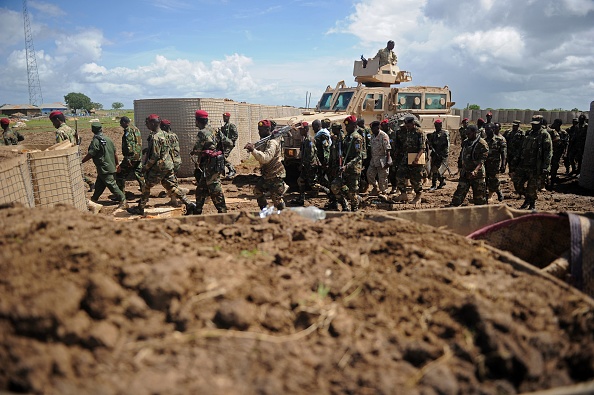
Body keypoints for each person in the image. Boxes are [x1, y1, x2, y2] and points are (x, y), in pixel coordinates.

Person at [127, 114, 196, 216]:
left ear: (153, 123)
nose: (147, 125)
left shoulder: (155, 137)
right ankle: (189, 204)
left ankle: (140, 208)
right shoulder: (165, 134)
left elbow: (155, 156)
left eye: (148, 123)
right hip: (168, 165)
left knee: (146, 186)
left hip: (159, 167)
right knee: (171, 187)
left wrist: (146, 167)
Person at [81, 123, 127, 209]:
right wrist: (117, 164)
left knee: (112, 186)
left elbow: (91, 153)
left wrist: (81, 161)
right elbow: (115, 153)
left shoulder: (96, 141)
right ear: (101, 129)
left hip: (104, 168)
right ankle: (94, 199)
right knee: (99, 185)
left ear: (92, 130)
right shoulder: (108, 139)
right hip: (110, 167)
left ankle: (123, 200)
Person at [244, 119, 287, 210]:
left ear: (268, 130)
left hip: (276, 175)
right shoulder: (264, 141)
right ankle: (265, 211)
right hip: (267, 175)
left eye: (261, 130)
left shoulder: (272, 143)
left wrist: (253, 150)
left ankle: (284, 215)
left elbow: (265, 159)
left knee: (277, 199)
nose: (259, 132)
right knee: (257, 191)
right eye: (258, 129)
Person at [510, 118, 553, 210]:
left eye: (536, 124)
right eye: (533, 124)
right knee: (517, 183)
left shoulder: (544, 135)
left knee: (532, 187)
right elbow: (522, 148)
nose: (534, 126)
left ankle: (531, 204)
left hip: (535, 166)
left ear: (540, 124)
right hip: (523, 164)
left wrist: (546, 167)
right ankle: (527, 198)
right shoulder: (528, 133)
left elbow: (548, 152)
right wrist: (514, 162)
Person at [190, 110, 227, 214]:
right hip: (216, 162)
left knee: (215, 188)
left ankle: (223, 211)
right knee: (201, 189)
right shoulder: (215, 130)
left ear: (198, 121)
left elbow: (197, 148)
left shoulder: (202, 132)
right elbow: (226, 142)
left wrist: (194, 152)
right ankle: (197, 211)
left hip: (210, 163)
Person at [49, 110, 94, 192]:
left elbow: (60, 146)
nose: (53, 124)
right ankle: (90, 183)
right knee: (77, 171)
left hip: (66, 155)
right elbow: (78, 141)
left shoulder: (59, 132)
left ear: (57, 120)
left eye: (53, 122)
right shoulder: (71, 129)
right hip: (75, 153)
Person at [330, 115, 364, 211]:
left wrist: (347, 166)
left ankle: (355, 207)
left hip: (353, 169)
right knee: (335, 186)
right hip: (344, 168)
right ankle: (345, 204)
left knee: (352, 193)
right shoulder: (347, 137)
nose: (346, 128)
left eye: (348, 126)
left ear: (354, 125)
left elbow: (358, 156)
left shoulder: (357, 138)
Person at [449, 125, 489, 207]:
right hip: (465, 173)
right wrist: (460, 165)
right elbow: (462, 154)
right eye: (466, 133)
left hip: (477, 175)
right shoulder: (466, 142)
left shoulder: (482, 144)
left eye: (469, 133)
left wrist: (475, 171)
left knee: (480, 199)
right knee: (458, 195)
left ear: (474, 133)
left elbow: (482, 160)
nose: (467, 135)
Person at [393, 116, 425, 205]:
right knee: (399, 174)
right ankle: (403, 194)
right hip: (406, 157)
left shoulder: (419, 132)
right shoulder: (407, 132)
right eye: (406, 125)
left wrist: (417, 158)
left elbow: (422, 147)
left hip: (416, 157)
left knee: (416, 179)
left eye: (408, 125)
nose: (407, 126)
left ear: (413, 123)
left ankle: (418, 196)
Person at [291, 122, 322, 206]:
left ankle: (329, 192)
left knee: (313, 184)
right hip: (306, 166)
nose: (300, 131)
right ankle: (301, 199)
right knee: (300, 180)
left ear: (305, 130)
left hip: (310, 166)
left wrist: (303, 165)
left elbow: (311, 155)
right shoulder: (305, 139)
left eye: (301, 130)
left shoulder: (309, 140)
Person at [115, 116, 145, 197]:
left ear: (125, 122)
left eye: (121, 123)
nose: (120, 125)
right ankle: (145, 193)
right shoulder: (136, 129)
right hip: (138, 156)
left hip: (131, 157)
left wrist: (128, 158)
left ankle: (121, 195)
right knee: (139, 175)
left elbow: (129, 145)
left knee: (120, 174)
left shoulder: (128, 130)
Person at [367, 120, 391, 196]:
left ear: (377, 127)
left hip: (382, 159)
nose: (372, 130)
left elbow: (388, 149)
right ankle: (375, 187)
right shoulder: (373, 136)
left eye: (373, 129)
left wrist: (388, 160)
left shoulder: (383, 136)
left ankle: (384, 192)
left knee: (382, 177)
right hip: (374, 159)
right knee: (369, 174)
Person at [484, 123, 507, 202]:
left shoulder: (499, 140)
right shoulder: (484, 141)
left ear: (493, 130)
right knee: (485, 180)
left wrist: (503, 164)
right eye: (486, 130)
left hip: (494, 164)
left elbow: (503, 153)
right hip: (485, 164)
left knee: (494, 180)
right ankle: (487, 196)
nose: (487, 131)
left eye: (488, 130)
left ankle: (499, 191)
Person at [326, 122, 346, 210]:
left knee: (338, 187)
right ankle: (334, 203)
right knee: (331, 185)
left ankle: (345, 204)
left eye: (334, 129)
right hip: (333, 165)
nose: (332, 131)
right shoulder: (334, 138)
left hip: (340, 165)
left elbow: (343, 154)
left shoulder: (342, 139)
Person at [427, 119, 450, 191]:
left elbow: (446, 146)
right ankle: (438, 183)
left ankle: (438, 183)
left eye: (438, 125)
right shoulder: (433, 134)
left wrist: (442, 155)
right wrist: (430, 145)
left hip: (442, 155)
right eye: (436, 125)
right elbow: (431, 145)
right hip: (434, 155)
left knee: (437, 171)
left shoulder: (444, 134)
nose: (437, 127)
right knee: (434, 170)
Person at [549, 119, 566, 188]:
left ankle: (552, 182)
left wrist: (565, 153)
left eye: (555, 123)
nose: (554, 124)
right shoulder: (550, 131)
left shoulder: (563, 133)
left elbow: (565, 144)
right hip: (549, 152)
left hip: (557, 153)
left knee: (554, 166)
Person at [220, 112, 238, 179]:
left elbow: (236, 135)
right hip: (224, 144)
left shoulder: (231, 126)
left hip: (229, 145)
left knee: (223, 157)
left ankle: (232, 169)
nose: (224, 118)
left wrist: (230, 141)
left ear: (228, 117)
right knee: (221, 157)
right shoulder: (224, 126)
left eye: (225, 117)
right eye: (223, 117)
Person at [357, 118, 371, 193]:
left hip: (366, 153)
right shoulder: (358, 131)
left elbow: (368, 141)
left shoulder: (366, 130)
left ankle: (366, 185)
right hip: (361, 153)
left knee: (365, 170)